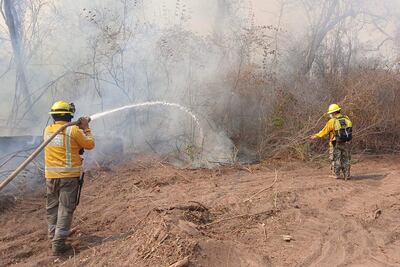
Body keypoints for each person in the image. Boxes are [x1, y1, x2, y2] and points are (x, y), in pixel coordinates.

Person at [44, 101, 95, 255]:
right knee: (65, 209)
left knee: (52, 208)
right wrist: (86, 128)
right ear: (69, 115)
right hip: (68, 177)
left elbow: (68, 143)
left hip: (51, 177)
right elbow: (90, 144)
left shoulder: (47, 130)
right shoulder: (74, 131)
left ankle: (53, 236)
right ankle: (58, 244)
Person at [310, 104, 352, 180]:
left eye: (330, 113)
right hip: (346, 142)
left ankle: (336, 174)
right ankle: (347, 175)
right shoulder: (347, 118)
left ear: (334, 112)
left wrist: (315, 136)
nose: (330, 114)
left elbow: (324, 131)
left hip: (335, 143)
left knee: (335, 159)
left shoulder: (332, 121)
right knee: (345, 159)